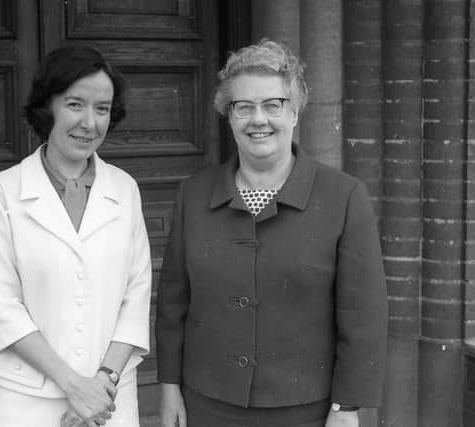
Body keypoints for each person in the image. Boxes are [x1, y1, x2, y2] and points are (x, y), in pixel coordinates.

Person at [155, 39, 388, 427]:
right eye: (243, 106)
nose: (257, 119)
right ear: (228, 116)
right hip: (208, 405)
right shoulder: (193, 194)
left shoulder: (344, 196)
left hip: (306, 410)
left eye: (272, 105)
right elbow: (173, 303)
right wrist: (168, 387)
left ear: (295, 113)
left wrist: (347, 408)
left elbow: (363, 314)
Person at [0, 46, 152, 427]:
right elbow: (2, 306)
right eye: (75, 104)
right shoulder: (5, 191)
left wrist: (101, 383)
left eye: (102, 109)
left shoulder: (124, 190)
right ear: (48, 107)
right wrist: (74, 387)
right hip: (27, 400)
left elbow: (136, 297)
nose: (89, 123)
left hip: (110, 399)